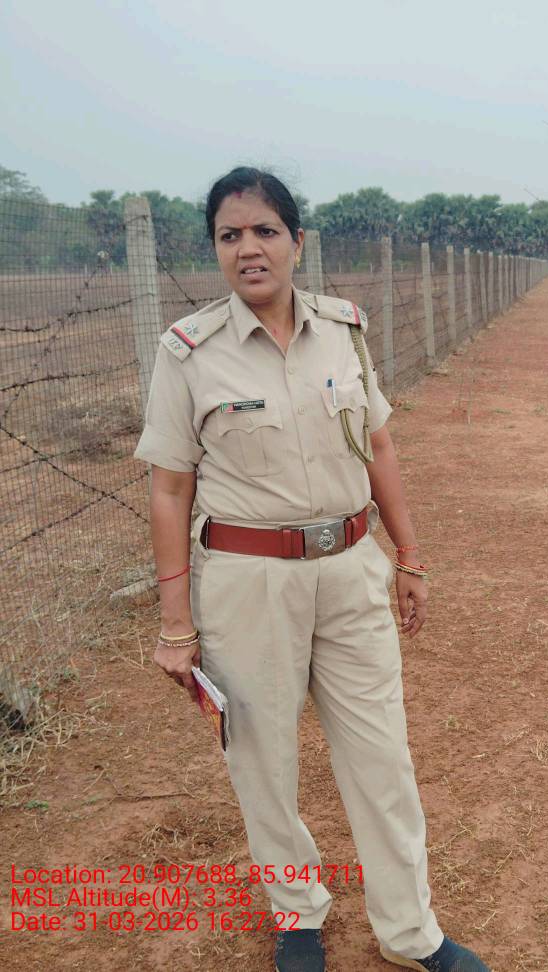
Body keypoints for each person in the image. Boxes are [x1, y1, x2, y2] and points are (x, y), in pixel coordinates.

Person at [133, 166, 489, 972]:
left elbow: (379, 445)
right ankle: (297, 913)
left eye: (265, 231)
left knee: (381, 756)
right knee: (264, 761)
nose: (248, 249)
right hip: (247, 582)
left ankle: (410, 932)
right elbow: (169, 488)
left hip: (351, 570)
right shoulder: (188, 352)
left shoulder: (343, 330)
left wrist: (410, 557)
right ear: (215, 249)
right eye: (229, 235)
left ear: (296, 241)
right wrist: (175, 624)